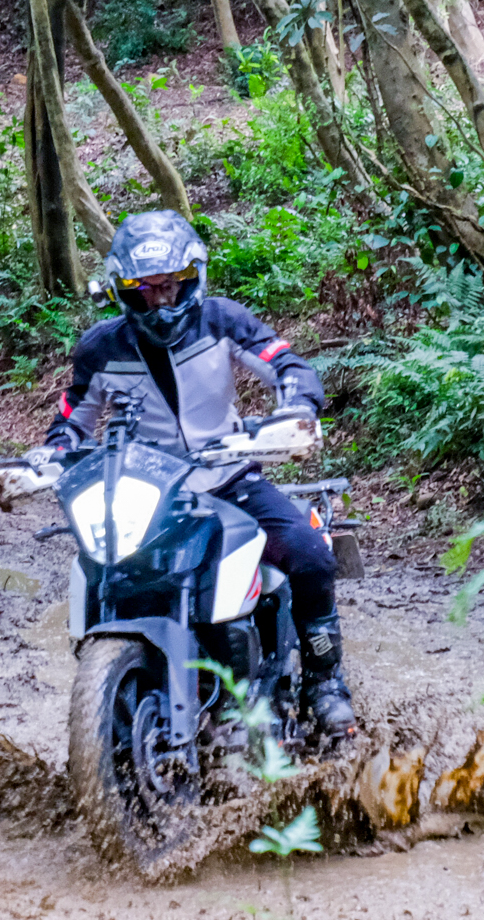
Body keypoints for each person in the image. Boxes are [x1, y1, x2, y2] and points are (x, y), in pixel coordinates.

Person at [35, 209, 356, 740]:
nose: (159, 302)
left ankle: (326, 683)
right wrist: (49, 458)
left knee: (309, 554)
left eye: (170, 286)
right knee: (104, 565)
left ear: (192, 280)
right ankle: (114, 699)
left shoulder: (223, 321)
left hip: (230, 479)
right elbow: (72, 420)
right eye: (144, 290)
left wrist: (296, 409)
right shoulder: (101, 348)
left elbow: (287, 366)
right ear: (121, 290)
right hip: (148, 493)